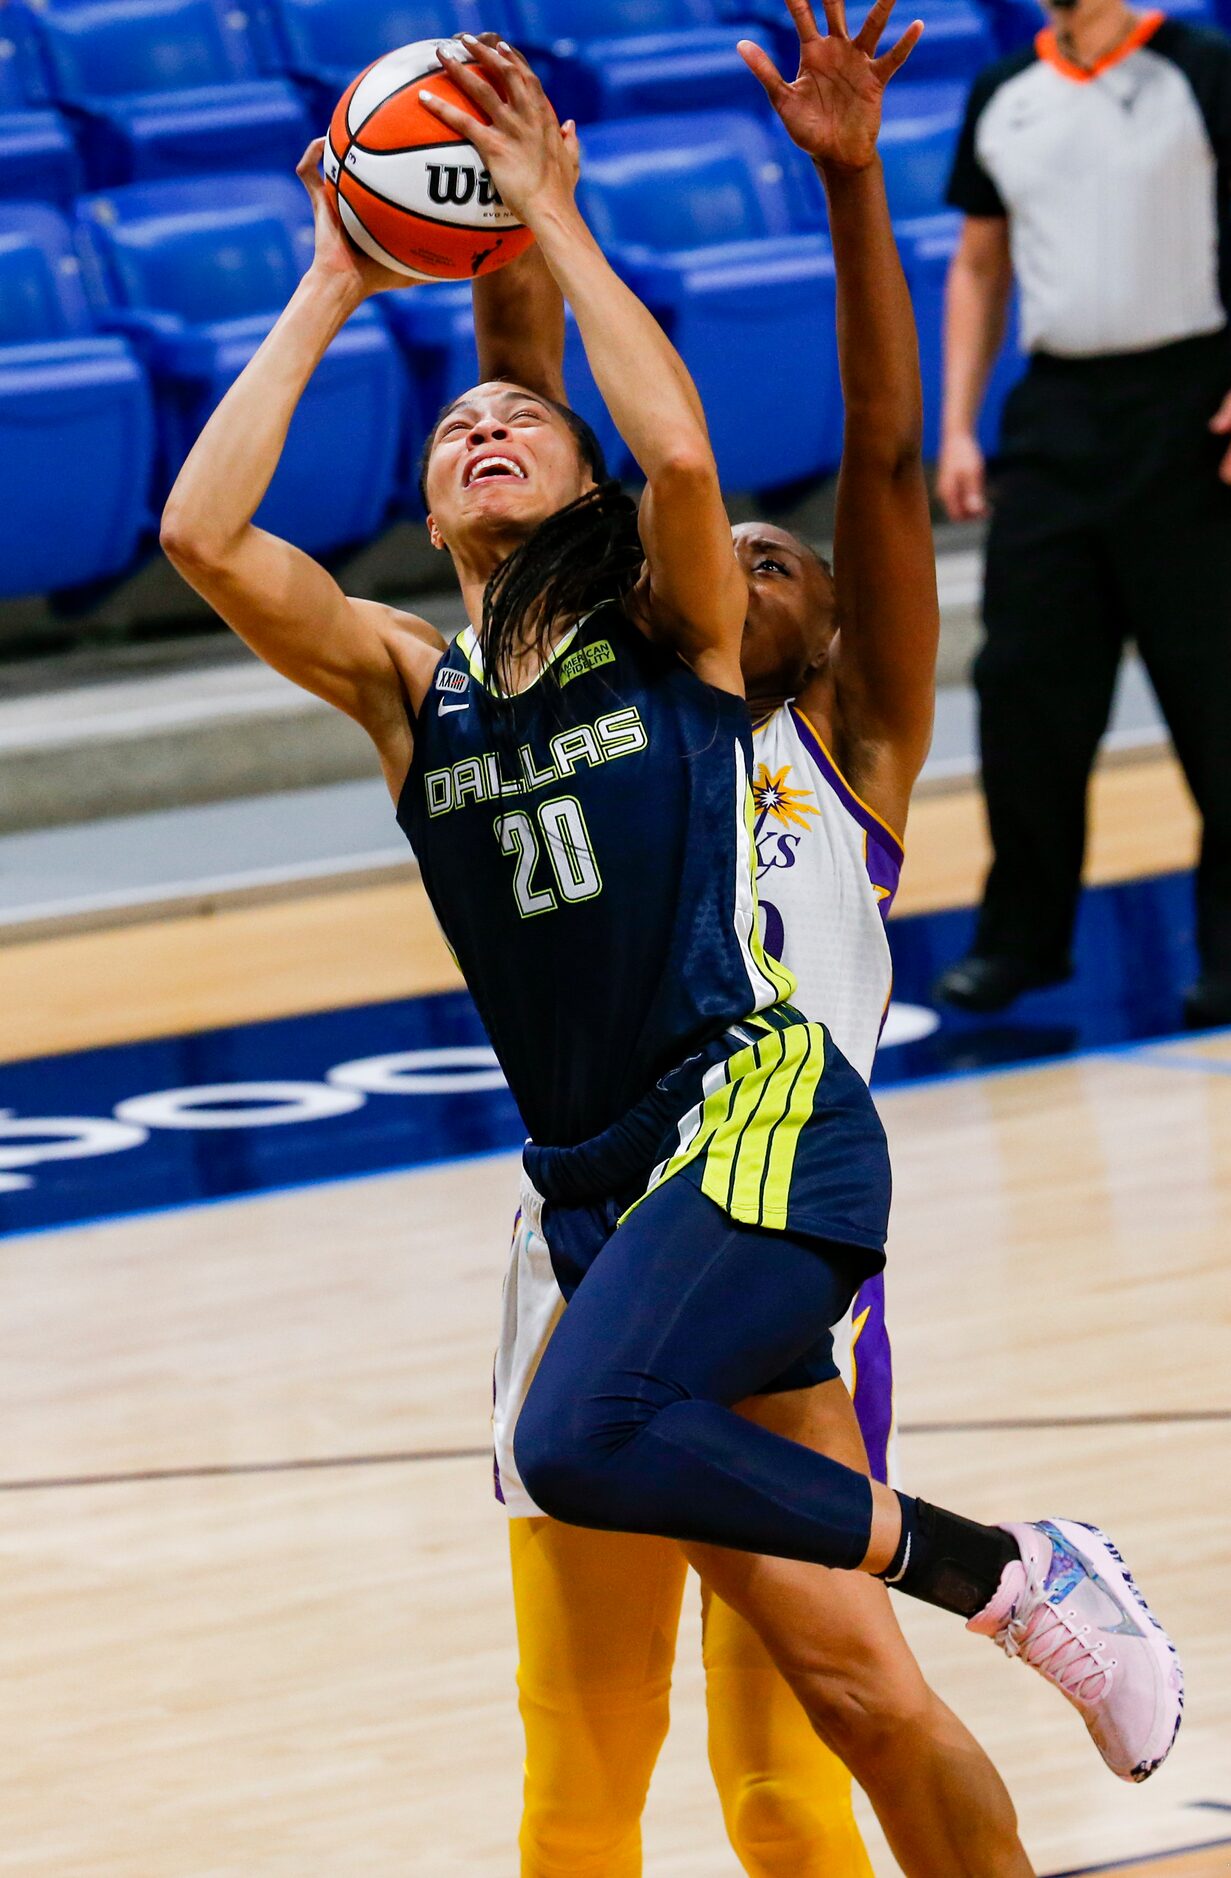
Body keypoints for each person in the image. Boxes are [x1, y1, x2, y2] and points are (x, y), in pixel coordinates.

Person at [159, 14, 1184, 1875]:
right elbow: (212, 528)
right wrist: (335, 276)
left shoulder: (709, 667)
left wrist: (564, 214)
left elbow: (746, 457)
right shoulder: (422, 685)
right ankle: (1009, 1580)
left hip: (755, 1132)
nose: (482, 421)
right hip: (596, 1202)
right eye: (464, 421)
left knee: (746, 1656)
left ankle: (1006, 1569)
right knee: (753, 1707)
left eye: (518, 422)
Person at [478, 4, 933, 1867]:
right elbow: (534, 434)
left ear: (828, 627)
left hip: (778, 1275)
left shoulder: (851, 758)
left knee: (785, 1772)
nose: (742, 560)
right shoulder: (592, 703)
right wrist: (500, 211)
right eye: (715, 543)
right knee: (581, 1769)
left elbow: (888, 455)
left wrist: (849, 188)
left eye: (780, 556)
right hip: (581, 1257)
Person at [933, 0, 1231, 1022]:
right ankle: (1021, 942)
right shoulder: (1001, 91)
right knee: (1021, 689)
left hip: (1195, 408)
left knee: (1217, 695)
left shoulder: (1201, 66)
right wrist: (960, 426)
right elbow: (978, 265)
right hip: (1056, 413)